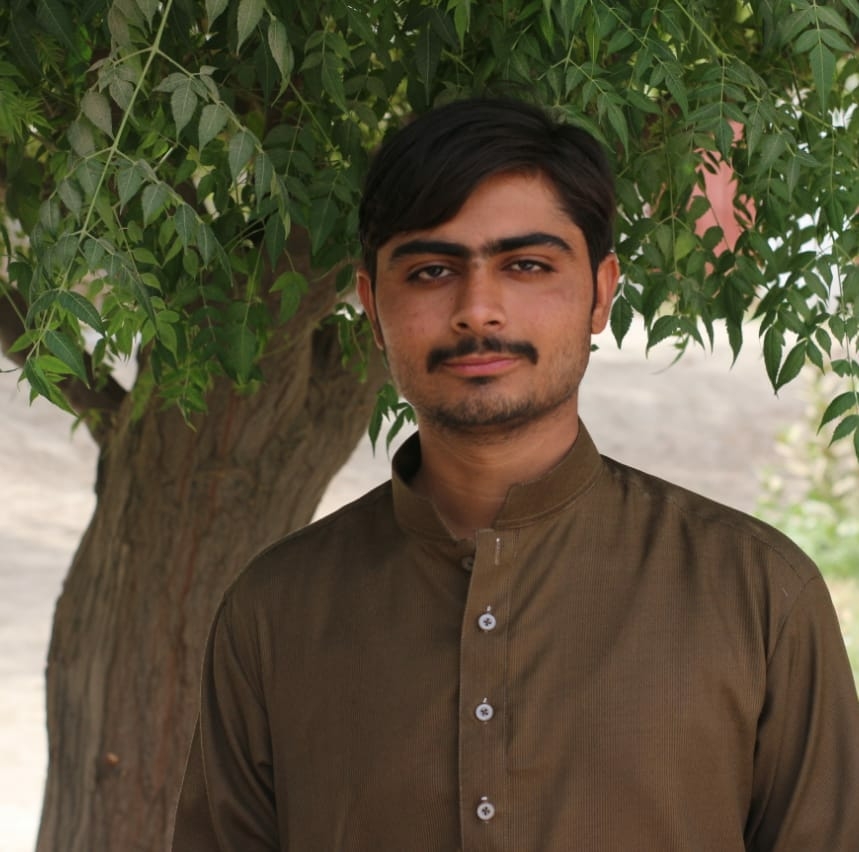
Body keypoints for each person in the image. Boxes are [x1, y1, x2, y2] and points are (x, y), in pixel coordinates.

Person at [172, 98, 859, 851]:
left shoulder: (757, 596)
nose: (478, 310)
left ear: (600, 292)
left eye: (526, 266)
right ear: (371, 305)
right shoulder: (274, 611)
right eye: (432, 271)